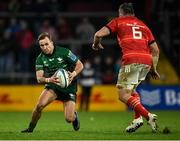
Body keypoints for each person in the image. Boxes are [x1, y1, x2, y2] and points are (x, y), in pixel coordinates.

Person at [92, 3, 160, 133]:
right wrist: (153, 68)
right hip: (146, 61)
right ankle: (137, 119)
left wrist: (96, 44)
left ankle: (148, 116)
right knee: (132, 92)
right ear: (133, 13)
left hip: (131, 60)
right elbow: (155, 50)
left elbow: (98, 34)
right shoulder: (143, 25)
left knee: (122, 95)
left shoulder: (119, 21)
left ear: (121, 12)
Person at [21, 32, 83, 133]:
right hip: (53, 84)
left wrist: (74, 74)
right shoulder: (40, 59)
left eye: (46, 44)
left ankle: (74, 116)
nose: (45, 47)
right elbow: (39, 78)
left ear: (52, 43)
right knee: (39, 106)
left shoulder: (64, 52)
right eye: (42, 45)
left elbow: (80, 65)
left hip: (68, 86)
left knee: (69, 119)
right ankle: (30, 129)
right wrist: (49, 80)